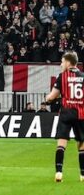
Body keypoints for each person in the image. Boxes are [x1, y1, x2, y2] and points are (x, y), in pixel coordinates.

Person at [41, 51, 84, 183]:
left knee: (61, 143)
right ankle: (83, 175)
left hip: (66, 114)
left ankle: (59, 172)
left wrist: (47, 100)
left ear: (68, 62)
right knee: (82, 145)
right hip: (81, 114)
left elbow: (52, 96)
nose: (61, 64)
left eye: (62, 61)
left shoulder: (62, 76)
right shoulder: (83, 76)